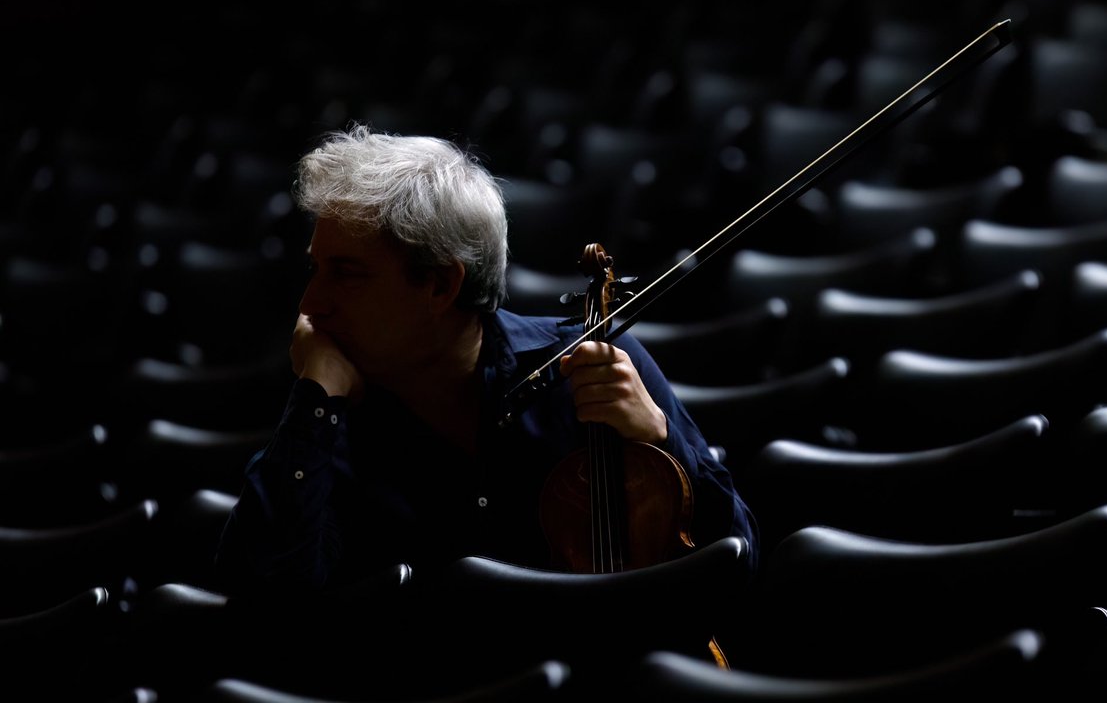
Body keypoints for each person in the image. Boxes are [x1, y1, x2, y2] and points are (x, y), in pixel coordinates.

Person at [213, 123, 759, 599]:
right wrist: (314, 401)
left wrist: (662, 446)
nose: (311, 304)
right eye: (317, 269)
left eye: (347, 273)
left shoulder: (593, 366)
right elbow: (261, 597)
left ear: (442, 283)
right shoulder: (331, 419)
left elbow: (737, 560)